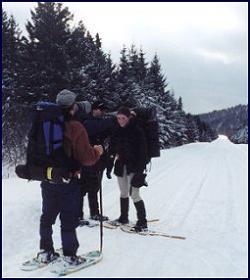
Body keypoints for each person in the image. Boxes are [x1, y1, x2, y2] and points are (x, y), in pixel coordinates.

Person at [37, 89, 103, 266]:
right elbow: (87, 158)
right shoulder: (75, 127)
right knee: (68, 218)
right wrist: (97, 151)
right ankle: (70, 255)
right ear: (73, 107)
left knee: (47, 217)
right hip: (68, 180)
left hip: (48, 178)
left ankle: (46, 251)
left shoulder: (45, 122)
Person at [107, 106, 148, 232]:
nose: (120, 120)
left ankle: (142, 222)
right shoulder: (116, 130)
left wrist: (140, 172)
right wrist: (109, 167)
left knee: (134, 194)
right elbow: (112, 149)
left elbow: (143, 153)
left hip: (134, 167)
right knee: (123, 192)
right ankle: (123, 217)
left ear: (128, 117)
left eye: (123, 118)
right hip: (120, 166)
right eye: (118, 118)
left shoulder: (137, 131)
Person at [78, 101, 116, 224]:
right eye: (101, 109)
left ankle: (94, 213)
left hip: (98, 160)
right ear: (94, 110)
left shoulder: (100, 122)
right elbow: (96, 127)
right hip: (87, 159)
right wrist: (113, 119)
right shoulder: (87, 121)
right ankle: (77, 215)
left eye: (104, 110)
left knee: (95, 187)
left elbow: (106, 131)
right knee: (82, 188)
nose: (103, 112)